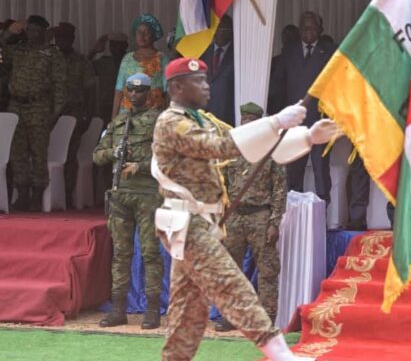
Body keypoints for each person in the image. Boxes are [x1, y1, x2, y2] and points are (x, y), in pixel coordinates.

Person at [152, 57, 338, 360]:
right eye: (197, 81)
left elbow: (249, 148)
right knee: (232, 285)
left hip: (200, 222)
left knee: (189, 308)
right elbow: (222, 146)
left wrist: (306, 137)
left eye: (205, 79)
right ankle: (280, 354)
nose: (206, 86)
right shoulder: (172, 122)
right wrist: (276, 122)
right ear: (176, 88)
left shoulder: (201, 121)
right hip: (188, 222)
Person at [92, 73, 163, 329]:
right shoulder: (118, 122)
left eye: (140, 90)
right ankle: (118, 310)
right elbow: (97, 156)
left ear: (149, 93)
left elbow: (170, 157)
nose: (134, 95)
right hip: (120, 194)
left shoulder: (159, 121)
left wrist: (140, 166)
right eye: (130, 90)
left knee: (150, 253)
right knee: (121, 253)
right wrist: (114, 152)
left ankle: (152, 311)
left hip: (147, 195)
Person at [215, 102, 287, 332]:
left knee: (267, 271)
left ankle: (267, 319)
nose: (247, 124)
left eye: (251, 121)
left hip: (260, 216)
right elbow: (222, 184)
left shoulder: (272, 150)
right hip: (234, 217)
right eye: (244, 120)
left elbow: (279, 189)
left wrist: (274, 222)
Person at [2, 15, 67, 211]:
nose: (32, 34)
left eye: (37, 31)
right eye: (29, 30)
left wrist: (55, 112)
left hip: (39, 106)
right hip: (16, 105)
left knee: (38, 151)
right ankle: (22, 193)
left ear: (44, 32)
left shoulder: (52, 54)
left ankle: (37, 195)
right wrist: (7, 34)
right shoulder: (17, 50)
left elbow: (60, 85)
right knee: (17, 151)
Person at [277, 12, 336, 203]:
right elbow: (279, 85)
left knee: (321, 172)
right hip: (295, 122)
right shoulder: (289, 51)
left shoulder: (330, 52)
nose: (308, 31)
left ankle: (322, 215)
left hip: (320, 120)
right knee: (294, 172)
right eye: (304, 27)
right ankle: (295, 213)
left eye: (312, 27)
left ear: (320, 30)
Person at [54, 22, 95, 208]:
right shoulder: (49, 58)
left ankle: (68, 192)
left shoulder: (81, 62)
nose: (61, 41)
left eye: (65, 37)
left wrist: (89, 115)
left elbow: (90, 90)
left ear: (72, 39)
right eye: (58, 37)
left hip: (73, 112)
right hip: (50, 113)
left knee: (69, 154)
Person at [112, 13, 168, 119]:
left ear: (153, 35)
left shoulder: (162, 58)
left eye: (146, 32)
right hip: (127, 115)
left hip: (151, 117)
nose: (142, 35)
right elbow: (119, 90)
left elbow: (167, 91)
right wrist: (113, 119)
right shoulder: (127, 58)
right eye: (139, 32)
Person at [201, 15, 235, 126]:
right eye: (218, 28)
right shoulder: (204, 52)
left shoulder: (237, 54)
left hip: (227, 114)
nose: (222, 32)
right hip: (205, 113)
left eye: (226, 29)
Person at [89, 32, 129, 124]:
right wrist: (94, 51)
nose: (115, 48)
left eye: (118, 44)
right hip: (106, 105)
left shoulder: (132, 61)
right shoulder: (104, 62)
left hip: (126, 105)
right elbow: (84, 68)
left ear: (125, 46)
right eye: (112, 45)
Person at [268, 24, 300, 115]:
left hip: (294, 104)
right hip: (276, 107)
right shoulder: (275, 61)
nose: (287, 38)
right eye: (285, 35)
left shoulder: (302, 61)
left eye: (290, 35)